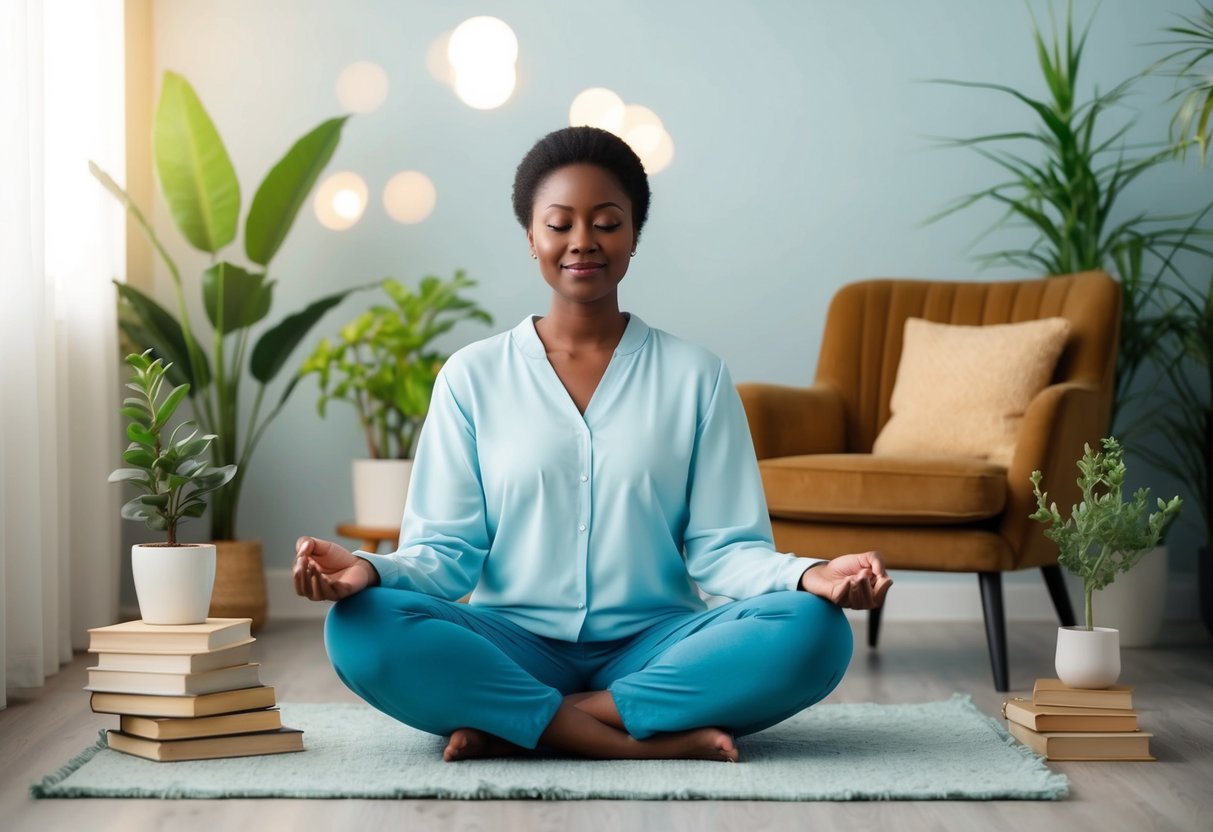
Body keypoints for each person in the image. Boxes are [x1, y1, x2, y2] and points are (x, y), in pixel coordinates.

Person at [293, 126, 892, 763]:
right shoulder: (471, 377)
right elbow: (445, 553)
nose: (583, 241)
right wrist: (371, 570)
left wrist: (811, 575)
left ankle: (528, 721)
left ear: (633, 235)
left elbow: (726, 551)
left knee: (814, 631)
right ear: (531, 236)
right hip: (511, 644)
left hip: (658, 643)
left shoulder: (696, 376)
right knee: (361, 627)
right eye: (560, 224)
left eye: (607, 222)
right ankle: (646, 741)